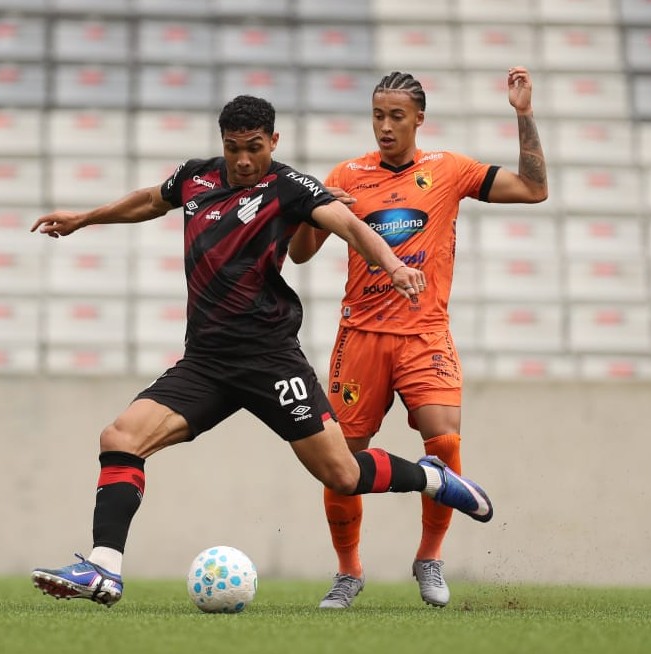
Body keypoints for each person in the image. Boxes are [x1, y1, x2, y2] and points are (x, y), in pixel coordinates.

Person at [27, 94, 493, 607]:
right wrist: (85, 218)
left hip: (271, 359)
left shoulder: (289, 186)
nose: (244, 160)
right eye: (233, 149)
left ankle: (430, 478)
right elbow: (149, 201)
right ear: (221, 144)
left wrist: (394, 265)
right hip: (206, 362)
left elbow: (351, 226)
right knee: (120, 437)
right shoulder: (195, 178)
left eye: (254, 148)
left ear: (273, 141)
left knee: (343, 472)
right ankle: (104, 570)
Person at [288, 68, 548, 609]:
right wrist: (314, 207)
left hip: (424, 333)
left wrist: (523, 114)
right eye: (378, 115)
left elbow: (533, 189)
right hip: (359, 336)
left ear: (418, 120)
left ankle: (429, 559)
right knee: (341, 461)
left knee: (445, 441)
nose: (385, 126)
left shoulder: (448, 170)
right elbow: (299, 254)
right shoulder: (348, 173)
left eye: (396, 117)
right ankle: (348, 572)